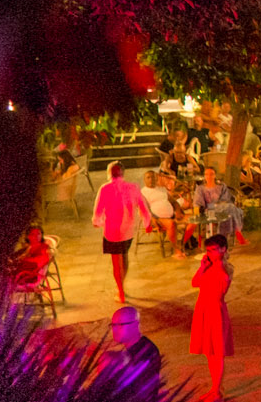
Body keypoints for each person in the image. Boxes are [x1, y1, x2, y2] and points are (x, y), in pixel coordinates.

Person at [92, 161, 154, 304]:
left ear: (109, 173)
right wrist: (147, 222)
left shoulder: (105, 188)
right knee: (123, 256)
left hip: (112, 231)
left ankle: (120, 291)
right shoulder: (132, 187)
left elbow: (97, 211)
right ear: (123, 172)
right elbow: (143, 207)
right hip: (128, 230)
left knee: (116, 261)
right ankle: (121, 287)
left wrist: (97, 222)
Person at [190, 234, 234, 401]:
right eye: (208, 250)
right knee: (209, 352)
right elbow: (195, 282)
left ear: (223, 249)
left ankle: (217, 390)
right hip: (203, 308)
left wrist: (218, 263)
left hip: (215, 310)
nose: (211, 253)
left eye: (214, 250)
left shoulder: (226, 268)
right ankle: (214, 387)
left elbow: (222, 286)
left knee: (217, 353)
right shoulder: (208, 265)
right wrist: (202, 266)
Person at [107, 306, 163, 389]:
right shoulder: (140, 346)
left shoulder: (145, 353)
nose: (114, 330)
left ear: (135, 325)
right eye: (113, 325)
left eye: (120, 325)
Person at [193, 167, 248, 247]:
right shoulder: (200, 188)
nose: (209, 176)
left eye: (211, 174)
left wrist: (219, 204)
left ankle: (222, 238)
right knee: (232, 209)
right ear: (204, 176)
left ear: (215, 175)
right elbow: (198, 202)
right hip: (209, 209)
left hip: (223, 206)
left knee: (229, 211)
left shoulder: (221, 186)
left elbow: (226, 198)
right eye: (207, 174)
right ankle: (237, 235)